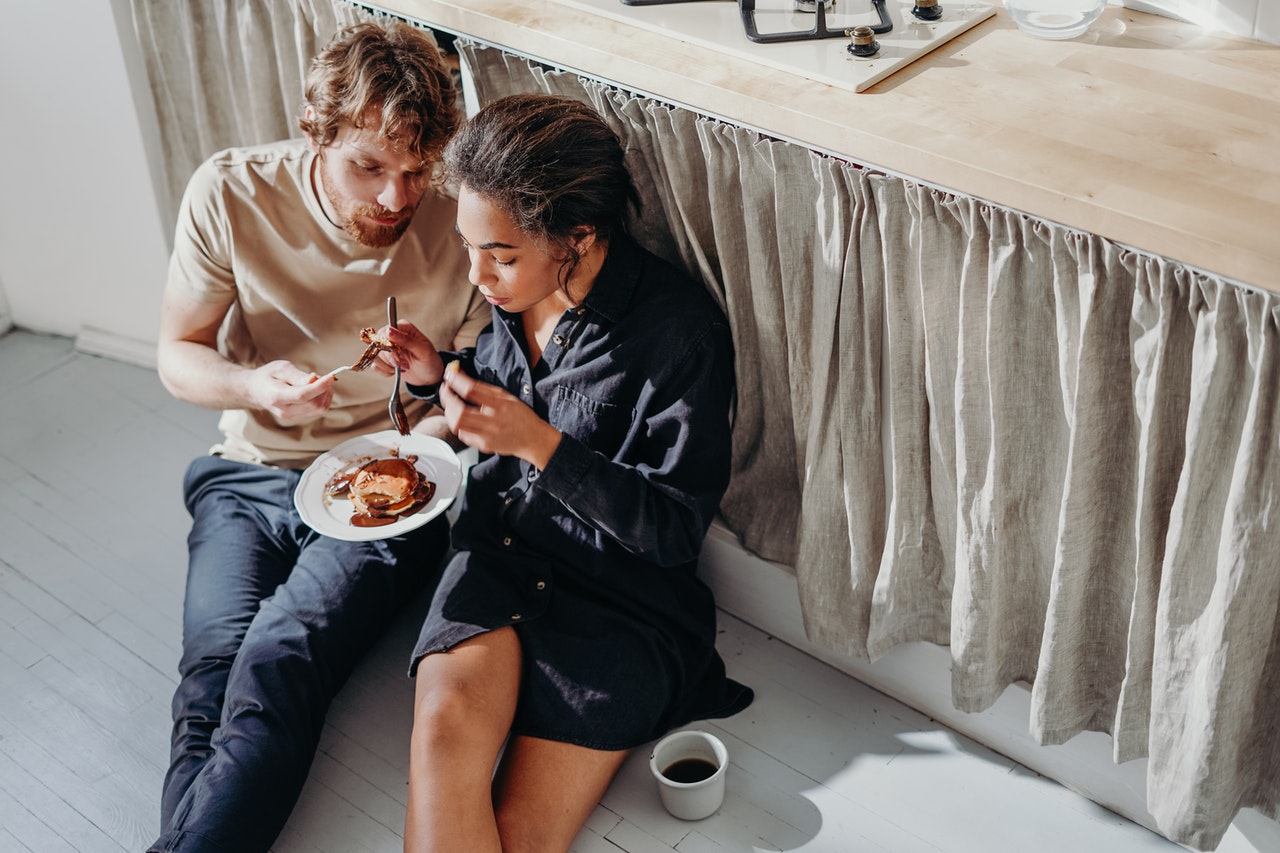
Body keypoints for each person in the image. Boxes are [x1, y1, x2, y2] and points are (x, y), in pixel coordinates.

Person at [149, 20, 488, 853]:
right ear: (316, 131)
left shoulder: (465, 221)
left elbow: (474, 393)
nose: (396, 200)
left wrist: (423, 413)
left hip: (392, 488)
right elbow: (177, 354)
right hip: (250, 472)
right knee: (210, 673)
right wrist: (251, 386)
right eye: (368, 167)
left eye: (417, 171)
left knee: (276, 662)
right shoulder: (230, 192)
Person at [384, 93, 754, 852]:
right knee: (442, 744)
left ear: (578, 237)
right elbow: (500, 391)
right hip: (498, 560)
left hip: (618, 605)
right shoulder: (513, 297)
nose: (478, 275)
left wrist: (543, 447)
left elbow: (673, 531)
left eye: (501, 254)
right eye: (469, 247)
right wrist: (435, 375)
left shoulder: (680, 333)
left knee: (521, 836)